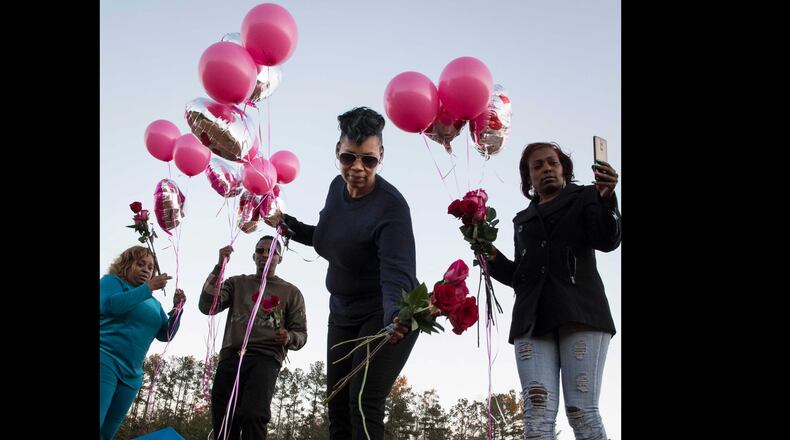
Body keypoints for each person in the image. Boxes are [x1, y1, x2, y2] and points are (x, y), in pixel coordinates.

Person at [267, 106, 417, 439]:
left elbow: (397, 271)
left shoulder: (392, 207)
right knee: (336, 406)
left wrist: (397, 316)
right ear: (338, 152)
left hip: (386, 314)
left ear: (381, 156)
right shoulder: (336, 189)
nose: (357, 169)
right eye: (349, 158)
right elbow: (328, 238)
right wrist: (287, 225)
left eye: (368, 160)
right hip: (343, 313)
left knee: (362, 403)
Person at [486, 142, 621, 440]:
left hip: (581, 312)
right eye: (537, 166)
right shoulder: (521, 221)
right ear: (528, 178)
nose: (546, 168)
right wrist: (491, 257)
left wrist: (607, 200)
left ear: (564, 169)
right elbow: (522, 276)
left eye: (552, 163)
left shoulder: (587, 196)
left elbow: (607, 240)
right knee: (536, 414)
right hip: (532, 320)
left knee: (581, 410)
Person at [200, 235, 307, 440]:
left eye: (271, 252)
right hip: (231, 357)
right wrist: (219, 267)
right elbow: (208, 306)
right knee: (223, 419)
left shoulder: (291, 292)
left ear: (279, 258)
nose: (265, 255)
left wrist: (289, 337)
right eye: (260, 251)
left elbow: (301, 334)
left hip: (265, 358)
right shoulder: (237, 283)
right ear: (253, 256)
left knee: (253, 414)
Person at [100, 245, 185, 440]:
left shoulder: (154, 304)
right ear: (126, 264)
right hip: (105, 360)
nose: (147, 269)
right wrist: (148, 288)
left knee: (106, 433)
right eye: (141, 264)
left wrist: (178, 310)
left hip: (132, 374)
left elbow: (166, 334)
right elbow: (110, 306)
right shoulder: (111, 282)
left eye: (150, 267)